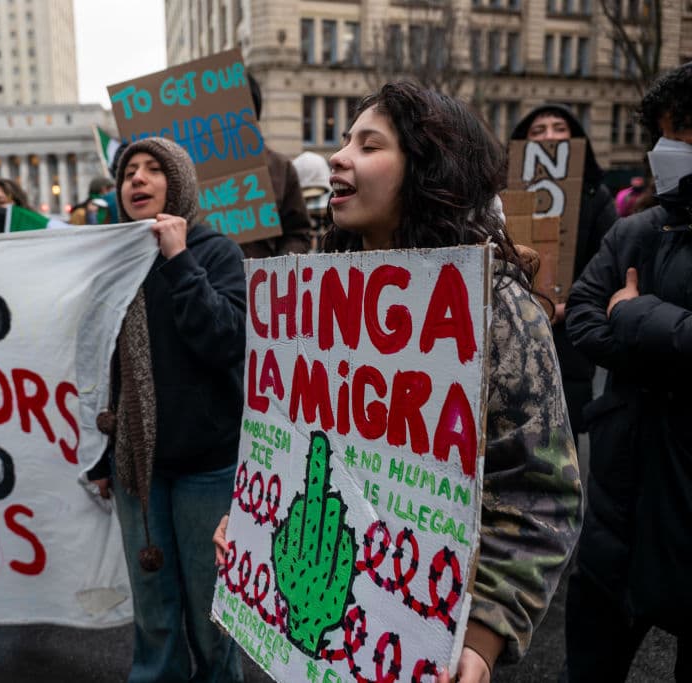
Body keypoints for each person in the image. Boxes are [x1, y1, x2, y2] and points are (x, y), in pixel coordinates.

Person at [212, 82, 582, 683]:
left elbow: (541, 494)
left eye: (369, 143)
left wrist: (483, 639)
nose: (339, 157)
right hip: (317, 637)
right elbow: (287, 441)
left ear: (428, 168)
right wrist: (255, 524)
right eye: (342, 142)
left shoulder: (494, 306)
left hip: (420, 644)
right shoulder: (308, 300)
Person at [88, 136, 246, 682]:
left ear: (178, 184)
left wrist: (178, 259)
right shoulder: (117, 264)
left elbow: (225, 341)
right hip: (139, 468)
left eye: (153, 169)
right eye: (129, 171)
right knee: (153, 612)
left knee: (213, 611)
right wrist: (105, 455)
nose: (137, 179)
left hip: (208, 466)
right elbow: (108, 365)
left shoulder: (216, 252)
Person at [562, 60, 692, 683]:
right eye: (666, 132)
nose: (672, 148)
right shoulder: (637, 230)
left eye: (686, 131)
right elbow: (584, 318)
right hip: (618, 496)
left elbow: (613, 319)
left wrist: (638, 317)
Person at [509, 104, 617, 439]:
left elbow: (608, 263)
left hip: (569, 334)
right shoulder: (508, 195)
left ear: (575, 137)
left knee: (561, 433)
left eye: (559, 128)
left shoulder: (596, 197)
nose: (550, 137)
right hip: (515, 327)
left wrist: (570, 307)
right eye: (538, 131)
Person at [240, 73, 312, 259]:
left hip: (260, 282)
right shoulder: (187, 169)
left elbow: (297, 232)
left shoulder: (280, 168)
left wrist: (278, 269)